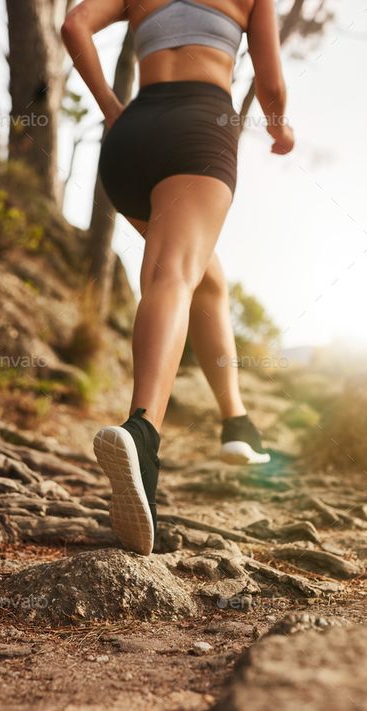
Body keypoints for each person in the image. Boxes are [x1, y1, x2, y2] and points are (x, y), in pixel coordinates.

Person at [61, 0, 294, 556]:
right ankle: (142, 431)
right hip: (198, 126)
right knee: (173, 274)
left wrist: (112, 107)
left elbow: (73, 24)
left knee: (204, 277)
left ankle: (237, 421)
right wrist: (281, 128)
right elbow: (271, 81)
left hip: (130, 139)